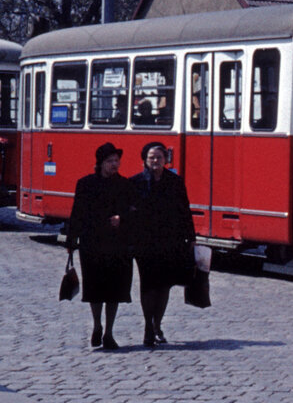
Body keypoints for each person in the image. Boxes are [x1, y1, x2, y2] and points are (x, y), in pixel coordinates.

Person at [65, 142, 134, 350]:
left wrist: (122, 218)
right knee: (95, 288)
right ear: (101, 163)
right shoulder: (85, 184)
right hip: (92, 242)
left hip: (118, 244)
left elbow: (133, 211)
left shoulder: (125, 185)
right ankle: (96, 325)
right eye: (110, 161)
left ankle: (109, 333)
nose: (115, 165)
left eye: (116, 161)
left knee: (115, 290)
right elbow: (77, 213)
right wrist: (71, 240)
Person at [129, 141, 196, 346]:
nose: (155, 161)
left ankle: (157, 323)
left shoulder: (175, 182)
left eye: (159, 157)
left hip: (170, 241)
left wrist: (191, 237)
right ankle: (149, 326)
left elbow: (184, 210)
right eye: (151, 158)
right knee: (148, 284)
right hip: (144, 242)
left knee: (164, 285)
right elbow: (129, 212)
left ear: (166, 159)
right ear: (145, 160)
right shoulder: (136, 182)